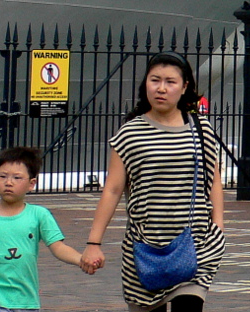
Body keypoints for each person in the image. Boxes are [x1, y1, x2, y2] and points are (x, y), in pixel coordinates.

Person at [82, 53, 226, 311]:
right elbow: (113, 189)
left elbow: (213, 177)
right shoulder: (130, 132)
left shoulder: (201, 128)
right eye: (155, 80)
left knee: (190, 304)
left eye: (170, 82)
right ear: (145, 84)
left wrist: (218, 225)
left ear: (184, 88)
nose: (161, 88)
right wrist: (94, 243)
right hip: (146, 246)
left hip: (195, 243)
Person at [0, 146, 85, 312]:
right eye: (2, 176)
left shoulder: (39, 215)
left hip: (27, 301)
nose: (8, 182)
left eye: (17, 177)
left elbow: (58, 247)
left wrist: (81, 259)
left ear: (32, 184)